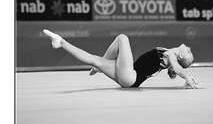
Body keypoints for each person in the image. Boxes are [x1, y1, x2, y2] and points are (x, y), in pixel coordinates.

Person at [43, 29, 198, 88]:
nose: (189, 48)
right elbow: (176, 68)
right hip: (130, 78)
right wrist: (185, 81)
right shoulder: (169, 53)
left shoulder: (171, 56)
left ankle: (98, 67)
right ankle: (61, 42)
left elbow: (177, 68)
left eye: (189, 52)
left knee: (122, 38)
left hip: (131, 76)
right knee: (94, 59)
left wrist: (187, 77)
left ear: (181, 55)